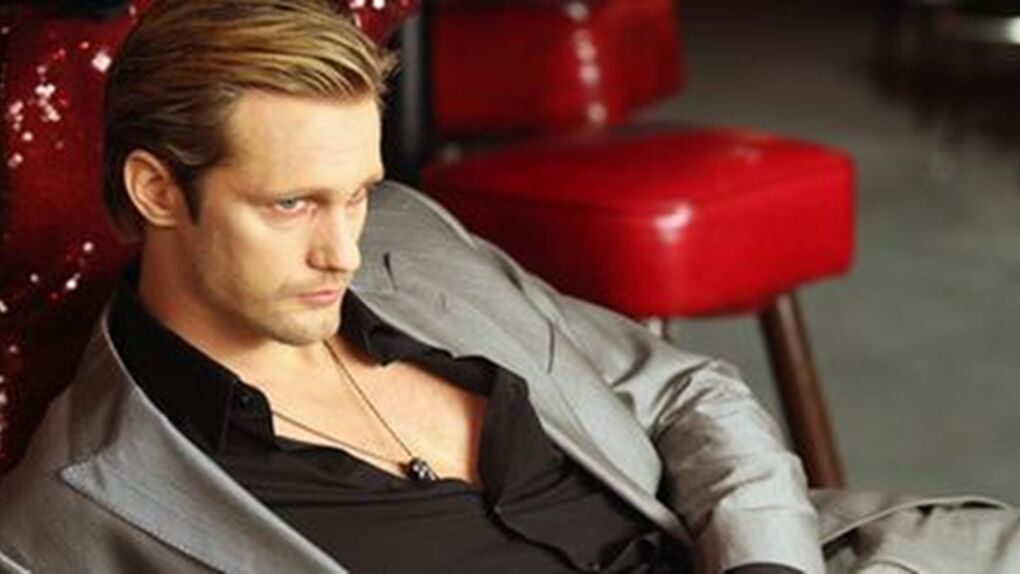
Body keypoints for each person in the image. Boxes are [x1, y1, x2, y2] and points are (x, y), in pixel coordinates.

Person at [0, 1, 1018, 572]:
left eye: (357, 193)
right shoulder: (75, 512)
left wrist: (763, 566)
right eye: (292, 204)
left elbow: (684, 389)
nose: (342, 250)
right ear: (157, 190)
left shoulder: (410, 239)